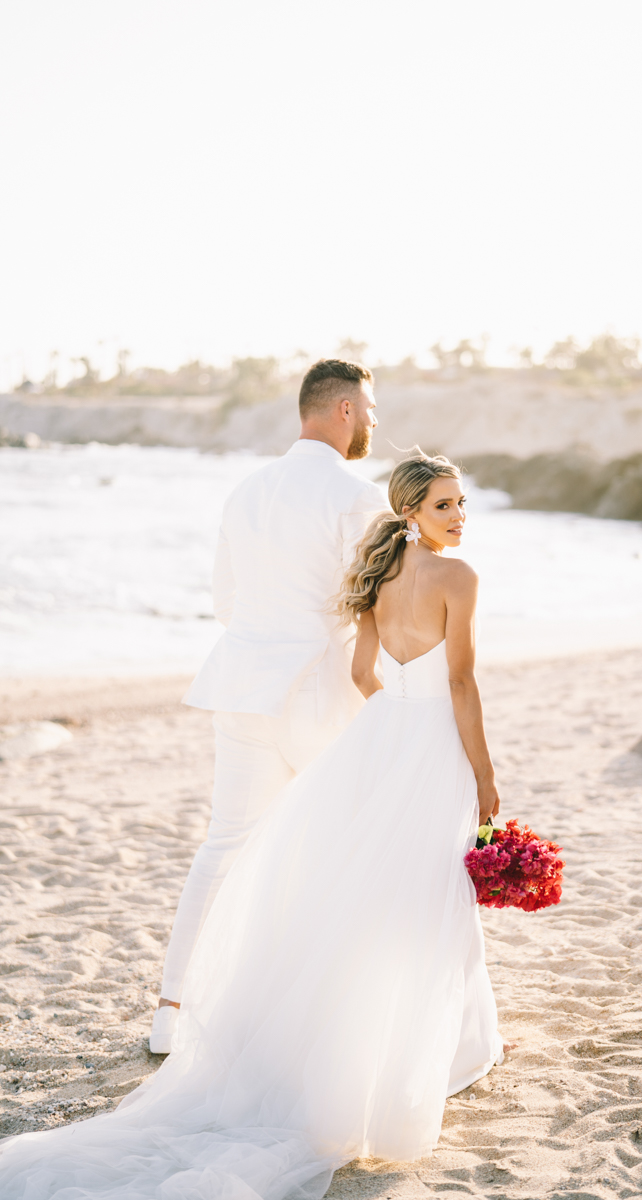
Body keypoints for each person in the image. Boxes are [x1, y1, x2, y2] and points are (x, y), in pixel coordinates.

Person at [0, 452, 503, 1200]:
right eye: (443, 507)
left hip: (379, 738)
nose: (459, 517)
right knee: (428, 893)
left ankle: (437, 1045)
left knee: (380, 891)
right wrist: (486, 776)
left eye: (461, 504)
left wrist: (394, 717)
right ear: (409, 513)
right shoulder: (458, 580)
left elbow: (365, 675)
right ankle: (444, 1054)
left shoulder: (379, 577)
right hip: (430, 744)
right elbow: (461, 680)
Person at [150, 358, 386, 1053]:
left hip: (242, 686)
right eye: (370, 408)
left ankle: (170, 1011)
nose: (374, 420)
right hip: (319, 686)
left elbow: (226, 603)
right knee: (348, 840)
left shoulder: (246, 492)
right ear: (343, 410)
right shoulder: (356, 493)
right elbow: (369, 599)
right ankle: (339, 1017)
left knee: (224, 846)